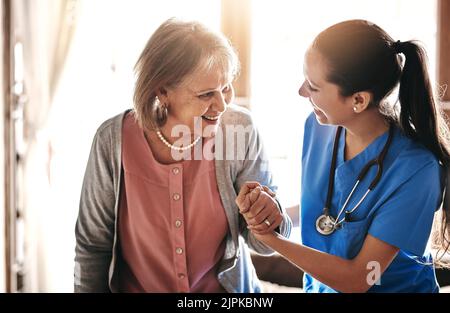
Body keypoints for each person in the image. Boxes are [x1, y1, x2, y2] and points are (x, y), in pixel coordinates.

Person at [74, 18, 291, 293]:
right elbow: (92, 246)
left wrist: (268, 217)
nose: (223, 105)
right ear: (162, 91)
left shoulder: (239, 130)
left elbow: (264, 244)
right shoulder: (112, 140)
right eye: (206, 94)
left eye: (226, 88)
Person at [236, 19, 450, 293]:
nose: (301, 91)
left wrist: (270, 240)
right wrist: (273, 212)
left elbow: (360, 278)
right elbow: (334, 211)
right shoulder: (318, 127)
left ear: (359, 100)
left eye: (313, 87)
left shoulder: (417, 170)